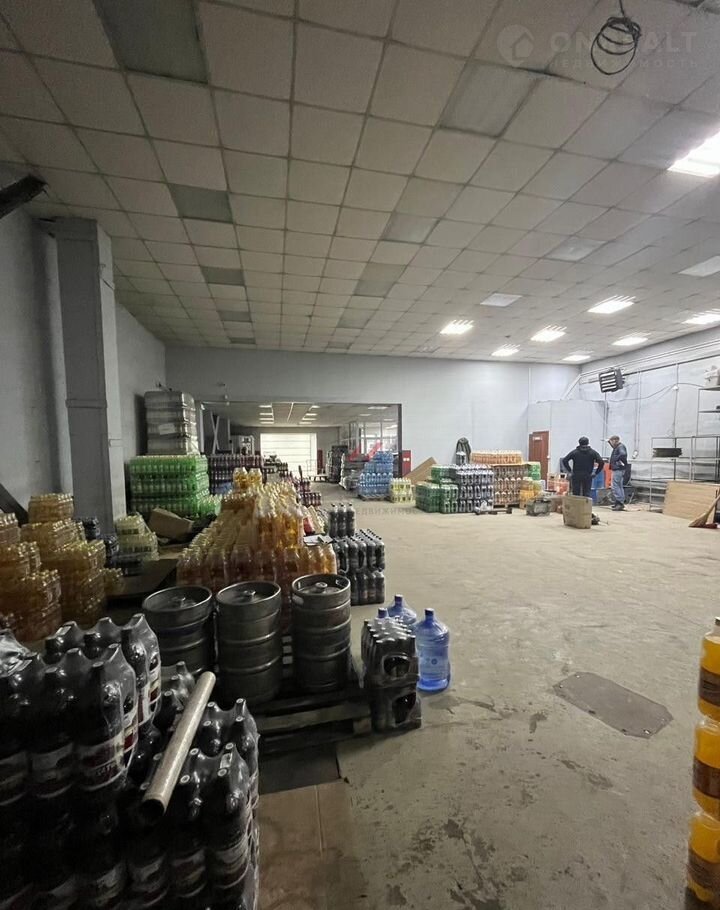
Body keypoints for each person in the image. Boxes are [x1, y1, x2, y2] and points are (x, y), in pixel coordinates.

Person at [608, 435, 629, 511]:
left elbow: (623, 454)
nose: (611, 443)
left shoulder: (620, 447)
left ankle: (619, 502)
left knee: (615, 486)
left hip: (618, 469)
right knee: (619, 486)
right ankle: (619, 502)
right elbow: (616, 449)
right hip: (620, 468)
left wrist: (615, 459)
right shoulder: (618, 447)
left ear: (615, 441)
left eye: (611, 441)